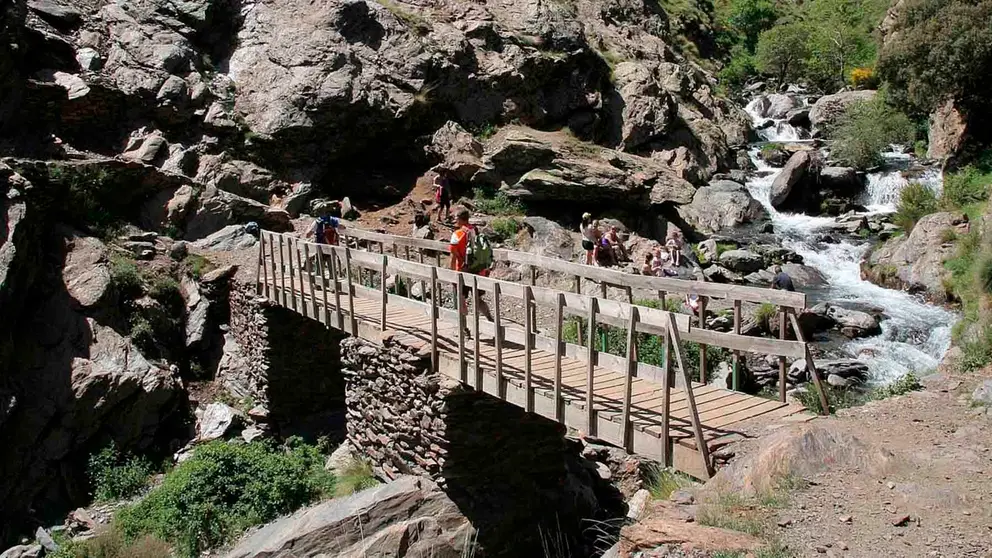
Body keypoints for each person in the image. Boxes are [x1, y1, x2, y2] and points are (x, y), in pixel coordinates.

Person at [450, 207, 494, 328]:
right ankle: (491, 321)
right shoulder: (475, 230)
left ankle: (464, 328)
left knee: (461, 298)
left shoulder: (457, 234)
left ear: (460, 219)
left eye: (455, 218)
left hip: (462, 270)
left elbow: (453, 255)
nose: (454, 220)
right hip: (478, 270)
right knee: (477, 298)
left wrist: (451, 273)